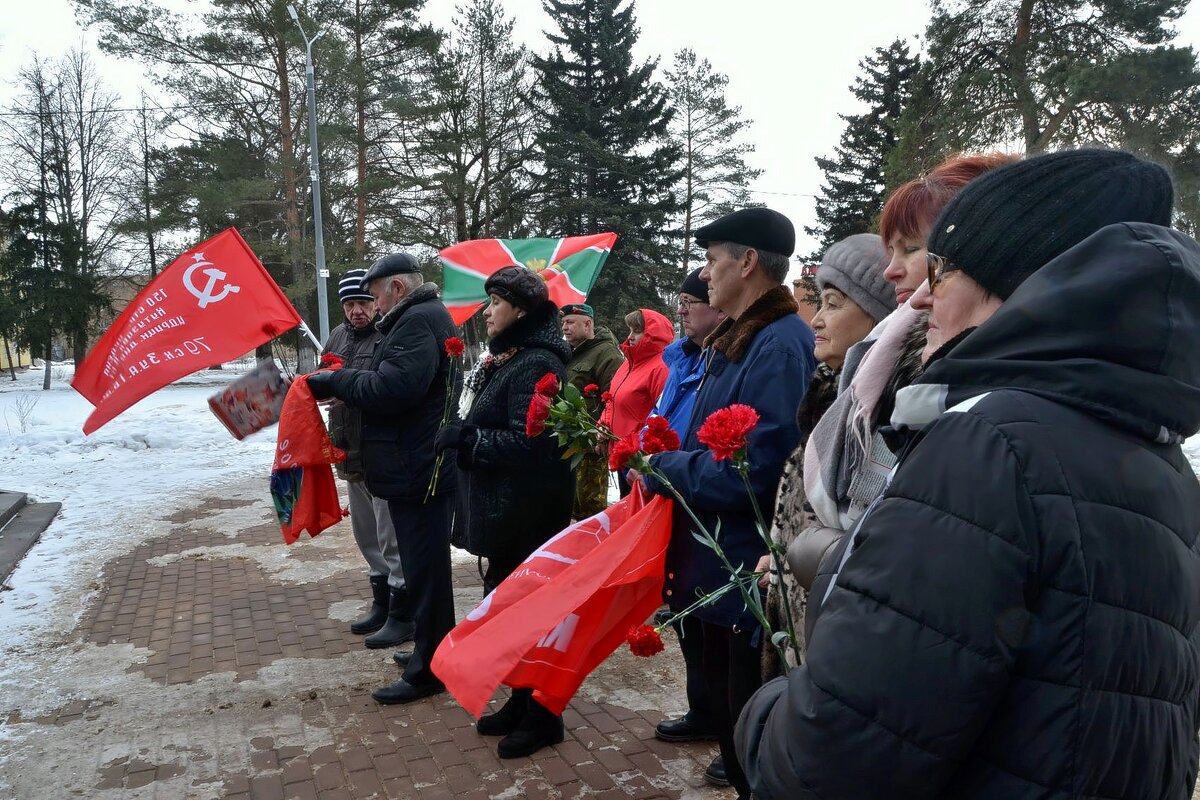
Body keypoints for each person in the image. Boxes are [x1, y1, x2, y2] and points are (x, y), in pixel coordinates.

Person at [737, 148, 1200, 799]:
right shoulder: (1159, 459)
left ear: (1007, 285)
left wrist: (760, 717)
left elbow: (832, 762)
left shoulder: (990, 443)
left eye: (945, 268)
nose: (921, 293)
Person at [798, 153, 1016, 641]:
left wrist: (826, 553)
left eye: (913, 250)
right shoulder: (883, 364)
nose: (891, 271)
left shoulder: (964, 389)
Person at [637, 207, 817, 799]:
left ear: (747, 262)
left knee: (746, 722)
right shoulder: (736, 336)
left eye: (714, 260)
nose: (704, 273)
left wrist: (667, 468)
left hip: (742, 567)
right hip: (716, 561)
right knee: (724, 709)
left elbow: (757, 469)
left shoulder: (778, 342)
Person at [434, 266, 575, 759]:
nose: (487, 310)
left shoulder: (538, 363)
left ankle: (544, 716)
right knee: (509, 609)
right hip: (507, 512)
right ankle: (520, 700)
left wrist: (470, 439)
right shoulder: (506, 359)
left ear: (520, 309)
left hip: (528, 515)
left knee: (532, 614)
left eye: (495, 301)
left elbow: (532, 444)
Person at [306, 253, 458, 705]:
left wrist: (338, 380)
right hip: (413, 464)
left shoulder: (416, 322)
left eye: (373, 294)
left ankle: (430, 669)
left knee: (426, 573)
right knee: (422, 571)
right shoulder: (420, 318)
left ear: (397, 288)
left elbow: (394, 390)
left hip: (417, 469)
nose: (370, 304)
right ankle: (433, 650)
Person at [759, 233, 894, 679]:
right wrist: (779, 551)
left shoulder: (881, 414)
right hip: (801, 599)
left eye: (834, 304)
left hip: (834, 626)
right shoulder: (828, 393)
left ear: (879, 315)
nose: (816, 319)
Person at [649, 268, 725, 777]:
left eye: (690, 301)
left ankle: (728, 729)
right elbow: (661, 417)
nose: (682, 310)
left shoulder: (721, 362)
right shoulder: (681, 360)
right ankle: (702, 710)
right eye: (678, 301)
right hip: (669, 495)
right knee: (687, 616)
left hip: (701, 498)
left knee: (718, 627)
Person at [322, 268, 414, 650]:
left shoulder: (389, 334)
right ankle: (381, 601)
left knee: (390, 535)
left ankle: (402, 612)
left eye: (363, 302)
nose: (357, 311)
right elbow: (325, 374)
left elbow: (389, 390)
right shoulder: (337, 336)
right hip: (349, 450)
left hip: (381, 451)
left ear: (376, 302)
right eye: (349, 304)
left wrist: (349, 390)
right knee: (365, 535)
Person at [600, 307, 672, 495]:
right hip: (623, 454)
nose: (630, 336)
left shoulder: (660, 368)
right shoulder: (628, 364)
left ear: (653, 334)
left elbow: (663, 416)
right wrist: (603, 425)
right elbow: (613, 400)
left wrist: (644, 453)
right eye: (630, 330)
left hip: (640, 461)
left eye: (637, 331)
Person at [561, 303, 623, 517]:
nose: (565, 327)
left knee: (589, 509)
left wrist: (602, 436)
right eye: (563, 323)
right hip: (569, 443)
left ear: (587, 324)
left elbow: (613, 400)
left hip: (591, 447)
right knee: (571, 506)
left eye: (570, 322)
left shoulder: (607, 354)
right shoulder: (571, 352)